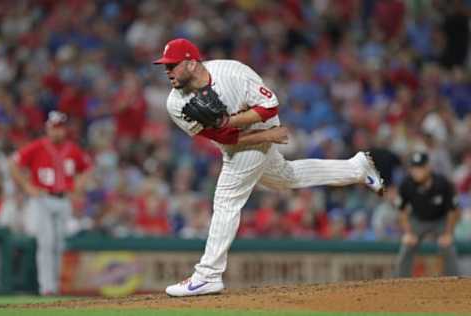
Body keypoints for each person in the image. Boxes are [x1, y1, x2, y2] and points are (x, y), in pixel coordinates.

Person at [153, 38, 384, 297]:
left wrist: (237, 122)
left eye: (172, 65)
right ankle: (357, 168)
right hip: (245, 138)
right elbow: (222, 137)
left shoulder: (232, 73)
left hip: (262, 121)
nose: (167, 71)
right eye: (165, 66)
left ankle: (208, 275)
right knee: (285, 177)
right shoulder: (176, 104)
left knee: (226, 199)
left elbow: (269, 106)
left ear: (192, 63)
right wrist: (263, 137)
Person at [9, 111, 92, 295]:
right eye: (54, 128)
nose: (57, 132)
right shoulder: (37, 147)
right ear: (48, 128)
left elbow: (87, 167)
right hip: (43, 198)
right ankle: (47, 288)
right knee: (46, 243)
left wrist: (78, 185)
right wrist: (26, 186)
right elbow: (13, 163)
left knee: (60, 244)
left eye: (60, 128)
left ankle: (56, 286)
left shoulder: (72, 149)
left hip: (64, 200)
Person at [396, 151, 460, 277]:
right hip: (418, 220)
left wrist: (448, 233)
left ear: (428, 168)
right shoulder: (406, 184)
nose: (416, 171)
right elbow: (402, 211)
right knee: (406, 246)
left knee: (448, 246)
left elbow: (453, 211)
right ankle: (401, 282)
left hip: (440, 220)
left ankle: (453, 281)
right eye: (414, 168)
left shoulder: (442, 183)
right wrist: (408, 233)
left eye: (420, 168)